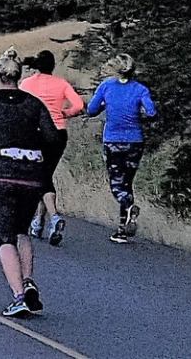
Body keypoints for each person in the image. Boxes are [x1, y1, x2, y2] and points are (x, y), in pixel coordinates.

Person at [0, 48, 63, 318]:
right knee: (22, 230)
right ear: (20, 75)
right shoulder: (34, 104)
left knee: (5, 236)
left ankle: (18, 295)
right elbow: (54, 138)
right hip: (31, 176)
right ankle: (29, 279)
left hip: (0, 173)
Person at [83, 54, 158, 243]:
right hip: (135, 141)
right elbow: (151, 112)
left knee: (117, 185)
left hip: (114, 140)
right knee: (127, 182)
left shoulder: (107, 86)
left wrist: (104, 107)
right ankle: (122, 229)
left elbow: (91, 110)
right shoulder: (140, 89)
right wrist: (137, 113)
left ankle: (128, 207)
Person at [19, 49, 84, 246]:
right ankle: (39, 221)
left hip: (35, 131)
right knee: (45, 175)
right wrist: (65, 113)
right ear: (53, 66)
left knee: (39, 176)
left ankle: (53, 217)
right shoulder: (62, 83)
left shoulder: (27, 83)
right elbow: (79, 105)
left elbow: (21, 106)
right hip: (58, 132)